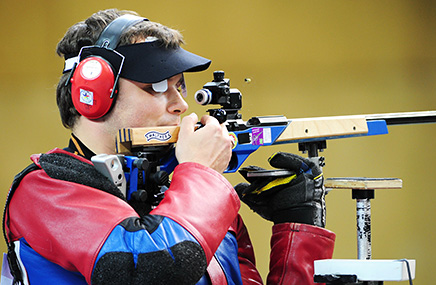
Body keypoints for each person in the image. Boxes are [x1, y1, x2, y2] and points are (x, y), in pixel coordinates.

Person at [3, 9, 335, 285]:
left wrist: (298, 227)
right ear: (93, 93)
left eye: (181, 87)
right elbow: (150, 268)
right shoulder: (46, 191)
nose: (180, 106)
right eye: (156, 86)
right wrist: (202, 175)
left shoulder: (193, 195)